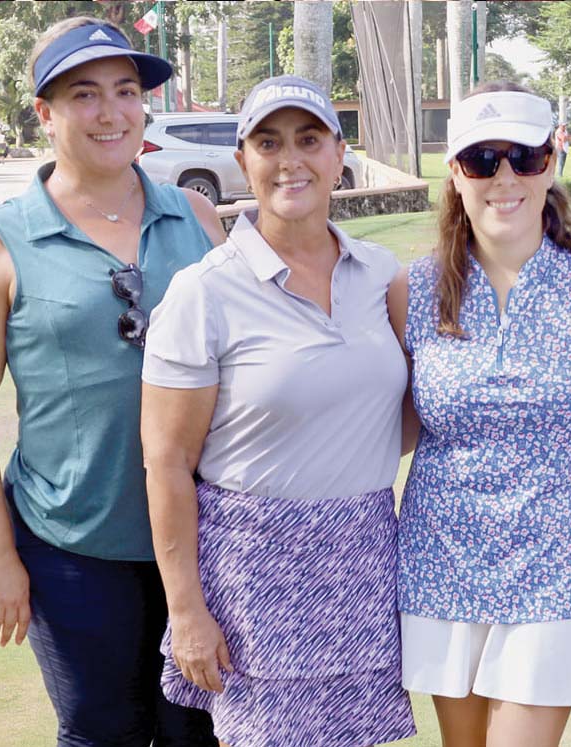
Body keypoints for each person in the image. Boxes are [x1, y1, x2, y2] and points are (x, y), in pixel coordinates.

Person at [0, 17, 225, 747]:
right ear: (45, 113)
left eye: (126, 92)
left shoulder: (195, 215)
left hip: (208, 540)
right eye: (84, 94)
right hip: (72, 546)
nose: (111, 112)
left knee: (206, 734)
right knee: (102, 732)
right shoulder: (0, 238)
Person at [139, 74, 417, 747]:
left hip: (365, 557)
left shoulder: (382, 273)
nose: (290, 159)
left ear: (338, 151)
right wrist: (186, 611)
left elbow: (406, 411)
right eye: (269, 142)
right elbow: (168, 461)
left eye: (309, 139)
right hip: (254, 571)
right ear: (243, 161)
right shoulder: (204, 291)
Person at [390, 82, 571, 747]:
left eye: (524, 158)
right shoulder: (411, 288)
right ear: (455, 173)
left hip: (562, 556)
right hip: (441, 553)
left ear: (551, 162)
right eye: (483, 160)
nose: (505, 178)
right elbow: (384, 416)